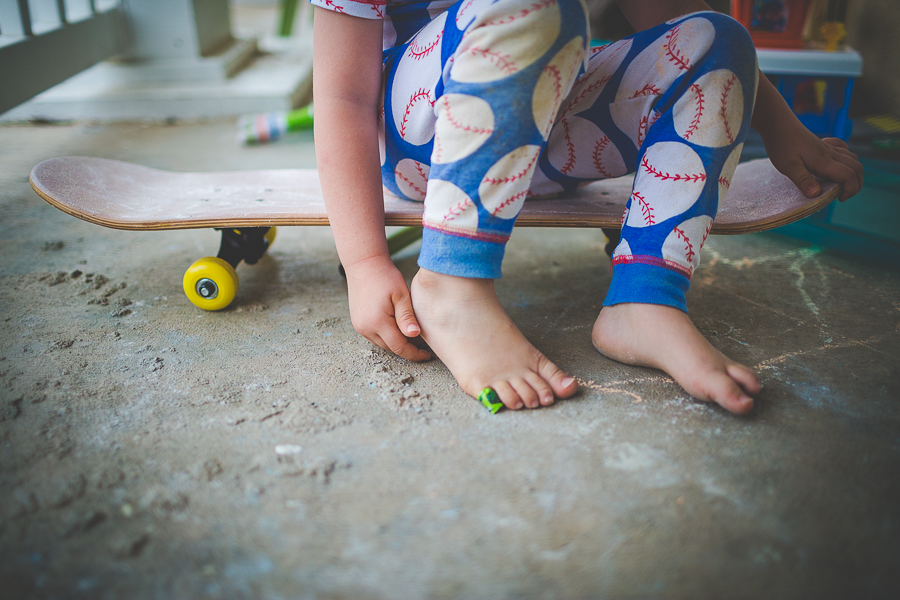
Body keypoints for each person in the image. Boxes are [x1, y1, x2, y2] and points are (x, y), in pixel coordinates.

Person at [311, 0, 863, 414]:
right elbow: (342, 97)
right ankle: (453, 284)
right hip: (421, 143)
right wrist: (363, 263)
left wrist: (783, 124)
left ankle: (645, 297)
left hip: (554, 132)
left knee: (716, 36)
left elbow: (673, 20)